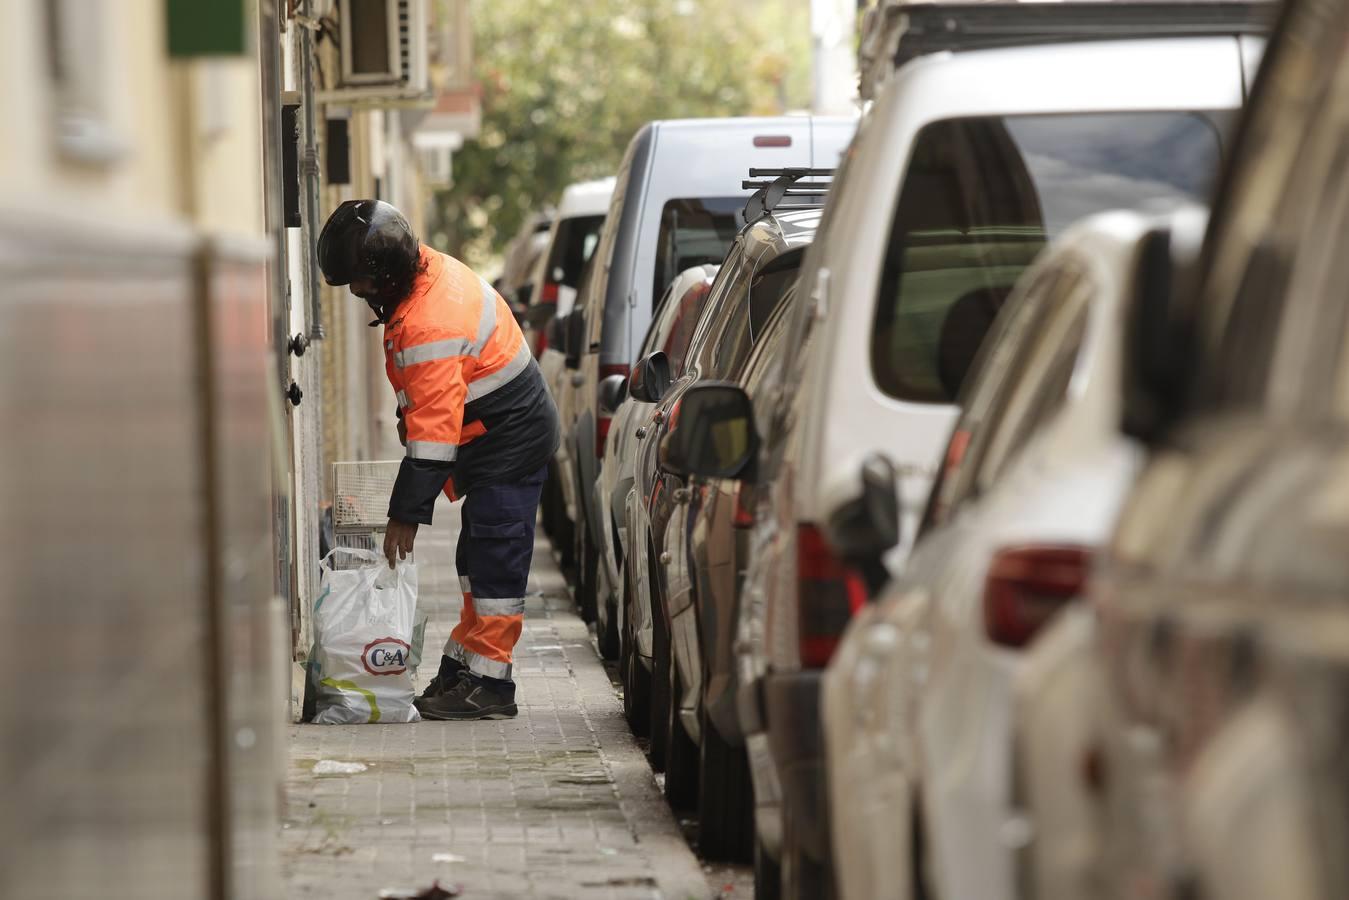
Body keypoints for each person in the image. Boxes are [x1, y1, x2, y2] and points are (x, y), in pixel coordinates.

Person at [317, 199, 559, 721]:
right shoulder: (424, 275)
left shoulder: (431, 323)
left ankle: (491, 685)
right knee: (475, 557)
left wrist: (405, 514)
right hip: (497, 434)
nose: (357, 292)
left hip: (509, 440)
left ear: (385, 274)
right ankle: (464, 667)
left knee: (495, 557)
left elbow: (433, 433)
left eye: (359, 281)